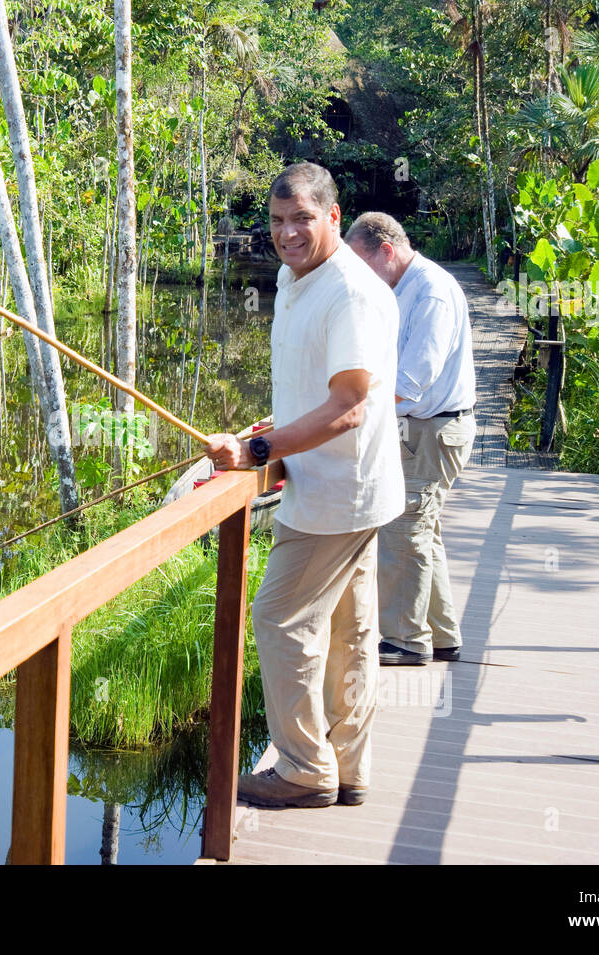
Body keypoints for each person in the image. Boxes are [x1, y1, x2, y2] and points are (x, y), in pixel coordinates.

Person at [204, 163, 402, 808]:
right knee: (347, 632)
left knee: (279, 618)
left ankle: (303, 770)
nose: (287, 234)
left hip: (337, 495)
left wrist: (258, 449)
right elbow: (318, 388)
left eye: (303, 220)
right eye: (279, 221)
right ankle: (348, 767)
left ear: (334, 218)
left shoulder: (349, 291)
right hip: (335, 486)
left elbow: (349, 406)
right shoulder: (297, 279)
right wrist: (277, 430)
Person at [345, 212, 477, 666]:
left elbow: (412, 379)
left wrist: (349, 412)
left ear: (386, 251)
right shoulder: (402, 288)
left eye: (362, 265)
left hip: (435, 429)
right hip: (419, 427)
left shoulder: (432, 293)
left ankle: (405, 640)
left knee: (404, 529)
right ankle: (442, 636)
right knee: (423, 530)